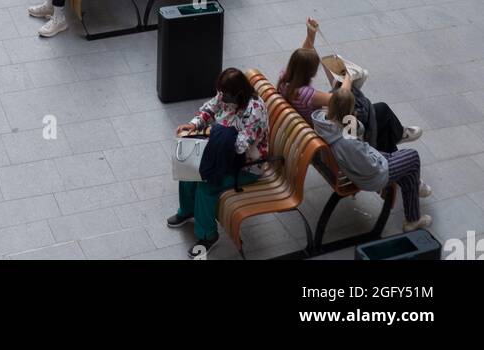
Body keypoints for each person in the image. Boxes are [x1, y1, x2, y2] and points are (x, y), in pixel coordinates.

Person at [278, 18, 422, 154]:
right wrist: (348, 75)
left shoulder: (286, 78)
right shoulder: (307, 94)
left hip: (316, 124)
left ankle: (396, 134)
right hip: (331, 130)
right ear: (309, 72)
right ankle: (398, 134)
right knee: (380, 110)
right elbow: (341, 97)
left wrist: (311, 34)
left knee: (377, 117)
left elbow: (304, 56)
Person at [313, 73, 433, 233]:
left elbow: (356, 137)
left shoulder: (323, 120)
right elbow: (368, 164)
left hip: (352, 163)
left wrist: (356, 127)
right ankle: (412, 219)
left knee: (404, 164)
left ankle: (414, 207)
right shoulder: (348, 141)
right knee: (412, 157)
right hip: (371, 175)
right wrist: (381, 159)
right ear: (349, 112)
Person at [168, 69, 269, 257]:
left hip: (246, 165)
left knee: (207, 186)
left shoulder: (255, 111)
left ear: (238, 93)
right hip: (221, 150)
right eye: (220, 93)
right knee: (189, 167)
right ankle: (187, 210)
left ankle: (208, 235)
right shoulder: (227, 95)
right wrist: (196, 123)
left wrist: (216, 134)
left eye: (225, 95)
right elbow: (211, 108)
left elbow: (239, 146)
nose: (221, 98)